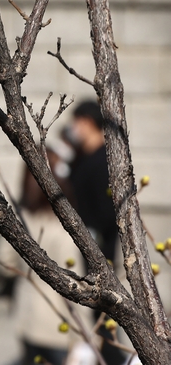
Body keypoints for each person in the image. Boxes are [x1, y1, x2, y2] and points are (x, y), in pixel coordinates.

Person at [0, 150, 89, 365]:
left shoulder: (21, 219)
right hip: (57, 326)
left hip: (27, 318)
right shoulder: (64, 230)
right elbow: (77, 286)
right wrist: (86, 337)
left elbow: (6, 263)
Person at [66, 101, 118, 264]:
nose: (73, 129)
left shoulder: (105, 160)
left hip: (98, 249)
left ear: (86, 122)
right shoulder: (81, 158)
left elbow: (107, 211)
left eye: (75, 122)